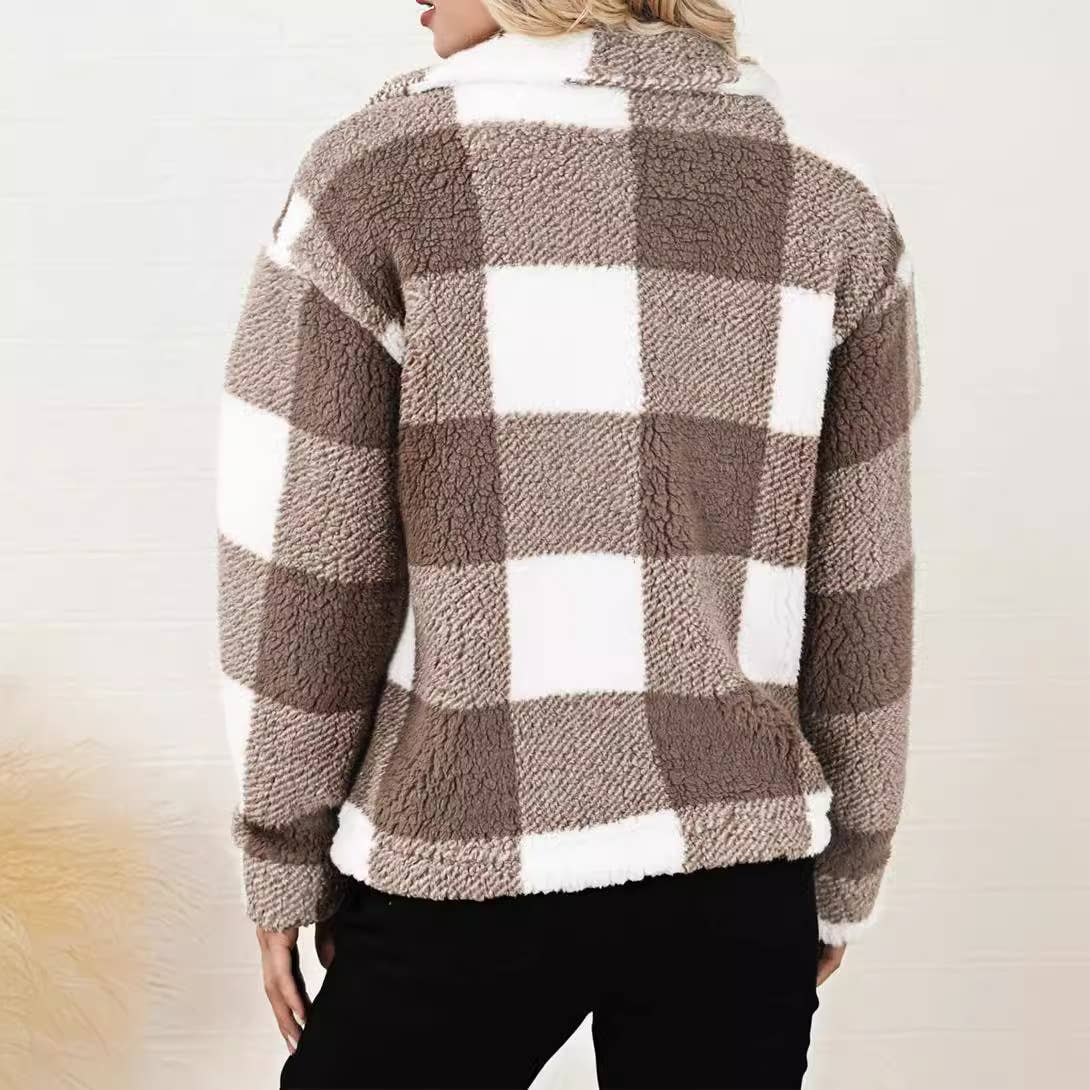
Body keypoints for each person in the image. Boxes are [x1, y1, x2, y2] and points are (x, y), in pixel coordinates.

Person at [215, 1, 922, 1087]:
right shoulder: (830, 195)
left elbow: (306, 564)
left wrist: (282, 850)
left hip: (461, 850)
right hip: (736, 866)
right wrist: (847, 870)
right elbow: (863, 584)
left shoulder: (377, 173)